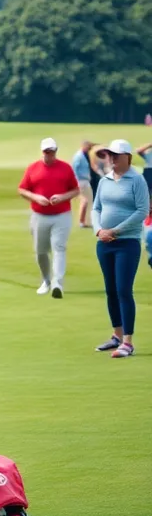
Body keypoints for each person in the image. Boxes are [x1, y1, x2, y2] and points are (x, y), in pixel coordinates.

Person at [91, 140, 150, 359]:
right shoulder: (105, 180)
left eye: (116, 155)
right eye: (109, 155)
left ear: (128, 157)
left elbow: (142, 211)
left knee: (124, 289)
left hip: (127, 243)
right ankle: (116, 335)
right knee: (111, 290)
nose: (112, 158)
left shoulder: (137, 180)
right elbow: (96, 208)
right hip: (104, 243)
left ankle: (128, 342)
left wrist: (115, 230)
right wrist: (99, 231)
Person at [17, 138, 79, 298]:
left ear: (56, 151)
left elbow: (75, 190)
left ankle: (57, 283)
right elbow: (22, 189)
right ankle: (46, 280)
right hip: (39, 215)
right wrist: (36, 198)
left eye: (51, 152)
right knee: (41, 251)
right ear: (42, 151)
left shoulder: (65, 168)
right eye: (46, 152)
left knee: (59, 247)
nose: (49, 155)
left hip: (62, 215)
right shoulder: (33, 168)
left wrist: (62, 197)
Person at [73, 141, 97, 228]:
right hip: (81, 181)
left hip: (84, 181)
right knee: (86, 201)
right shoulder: (79, 156)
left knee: (87, 201)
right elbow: (75, 169)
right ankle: (84, 221)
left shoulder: (83, 155)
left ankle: (84, 221)